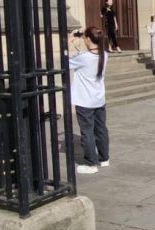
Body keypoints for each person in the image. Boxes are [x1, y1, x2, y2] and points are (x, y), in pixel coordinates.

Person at [68, 27, 109, 174]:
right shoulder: (104, 54)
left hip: (85, 100)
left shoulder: (84, 58)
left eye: (85, 37)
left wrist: (68, 42)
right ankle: (104, 158)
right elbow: (84, 55)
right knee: (101, 129)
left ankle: (91, 163)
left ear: (89, 40)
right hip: (98, 99)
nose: (84, 39)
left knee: (87, 132)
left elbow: (65, 62)